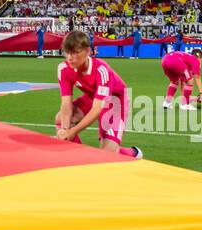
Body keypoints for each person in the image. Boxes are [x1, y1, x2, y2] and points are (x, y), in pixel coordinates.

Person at [53, 30, 142, 158]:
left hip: (115, 101)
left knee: (107, 155)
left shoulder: (101, 70)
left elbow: (97, 109)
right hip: (93, 97)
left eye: (76, 52)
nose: (70, 57)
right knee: (60, 119)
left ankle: (133, 153)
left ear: (88, 51)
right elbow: (66, 103)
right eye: (68, 52)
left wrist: (72, 132)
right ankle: (78, 156)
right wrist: (65, 130)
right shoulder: (64, 68)